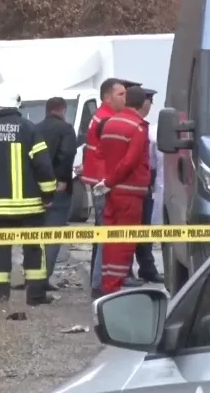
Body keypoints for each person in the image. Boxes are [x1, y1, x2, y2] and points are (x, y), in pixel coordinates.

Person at [0, 82, 58, 306]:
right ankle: (35, 296)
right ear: (17, 104)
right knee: (34, 249)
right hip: (29, 208)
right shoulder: (29, 129)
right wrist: (49, 194)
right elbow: (43, 166)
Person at [93, 86, 151, 297]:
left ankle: (107, 282)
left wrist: (104, 182)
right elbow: (131, 161)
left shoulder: (110, 123)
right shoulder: (137, 127)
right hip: (129, 192)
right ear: (143, 104)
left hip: (112, 193)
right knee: (125, 242)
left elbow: (99, 154)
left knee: (111, 239)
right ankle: (113, 289)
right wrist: (110, 180)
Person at [81, 78, 127, 293]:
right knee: (106, 236)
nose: (125, 99)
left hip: (99, 181)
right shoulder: (107, 120)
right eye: (121, 95)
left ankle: (96, 280)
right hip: (104, 184)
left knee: (101, 234)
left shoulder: (100, 116)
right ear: (108, 97)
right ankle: (99, 285)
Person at [35, 96, 78, 291]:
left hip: (35, 189)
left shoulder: (34, 129)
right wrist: (61, 179)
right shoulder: (66, 129)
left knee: (36, 235)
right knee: (53, 234)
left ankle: (33, 275)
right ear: (63, 110)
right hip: (58, 189)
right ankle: (43, 278)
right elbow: (67, 154)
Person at [129, 88, 163, 284]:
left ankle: (146, 267)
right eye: (149, 101)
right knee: (135, 230)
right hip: (137, 186)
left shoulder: (146, 128)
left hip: (146, 186)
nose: (150, 106)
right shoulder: (141, 128)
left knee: (144, 230)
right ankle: (132, 270)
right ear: (144, 103)